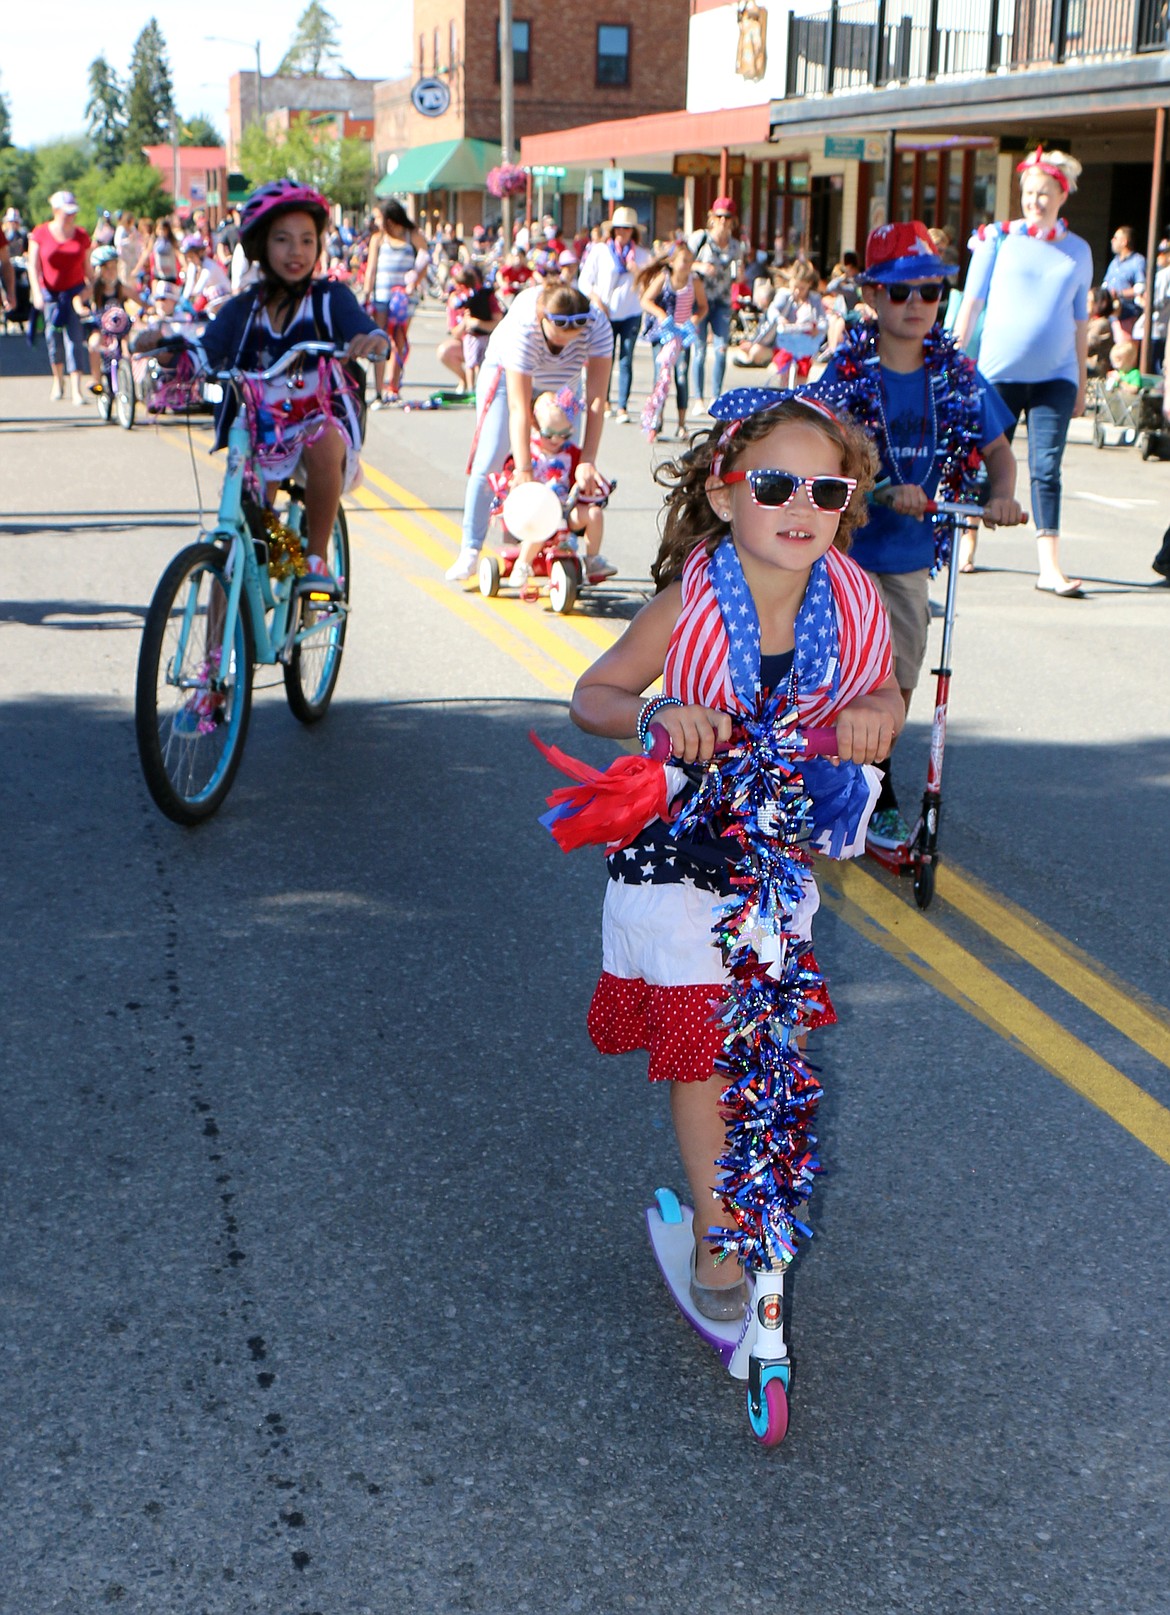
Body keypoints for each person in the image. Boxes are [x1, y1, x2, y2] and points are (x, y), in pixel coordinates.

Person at [564, 389, 901, 1316]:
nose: (802, 508)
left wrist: (878, 712)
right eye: (776, 484)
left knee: (769, 1039)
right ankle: (722, 1228)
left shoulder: (856, 597)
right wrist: (654, 712)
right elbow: (591, 695)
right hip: (682, 844)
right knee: (706, 1044)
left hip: (776, 850)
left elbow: (881, 689)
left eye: (825, 491)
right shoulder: (692, 600)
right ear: (723, 495)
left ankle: (758, 1194)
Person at [818, 220, 1025, 848]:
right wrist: (876, 488)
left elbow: (999, 451)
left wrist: (1002, 495)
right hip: (844, 548)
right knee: (830, 668)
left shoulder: (958, 376)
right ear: (873, 298)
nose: (916, 306)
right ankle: (840, 780)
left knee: (899, 677)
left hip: (908, 556)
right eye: (900, 293)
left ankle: (875, 775)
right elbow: (814, 448)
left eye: (930, 293)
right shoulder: (846, 372)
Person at [133, 180, 388, 583]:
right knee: (239, 546)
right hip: (259, 426)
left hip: (316, 415)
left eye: (307, 240)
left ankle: (316, 560)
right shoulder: (242, 309)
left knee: (323, 439)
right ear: (259, 247)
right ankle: (219, 639)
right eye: (283, 239)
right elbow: (206, 348)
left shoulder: (329, 298)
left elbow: (363, 327)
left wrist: (370, 339)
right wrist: (165, 348)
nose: (296, 251)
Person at [953, 146, 1093, 596]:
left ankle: (1049, 566)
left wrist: (1082, 385)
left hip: (1057, 376)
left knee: (1047, 468)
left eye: (1045, 193)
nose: (1035, 201)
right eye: (1029, 192)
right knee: (984, 463)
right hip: (997, 375)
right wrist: (952, 363)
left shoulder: (1078, 251)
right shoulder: (996, 239)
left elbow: (1079, 323)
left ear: (1062, 195)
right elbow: (971, 304)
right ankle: (968, 540)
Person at [447, 280, 613, 581]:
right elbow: (518, 408)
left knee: (561, 463)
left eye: (571, 339)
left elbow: (597, 401)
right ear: (542, 318)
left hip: (563, 383)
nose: (564, 344)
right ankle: (470, 549)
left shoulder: (597, 324)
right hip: (506, 380)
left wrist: (587, 459)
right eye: (558, 338)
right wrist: (523, 469)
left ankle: (556, 539)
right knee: (493, 459)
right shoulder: (524, 324)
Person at [501, 390, 616, 591]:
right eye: (549, 435)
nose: (556, 440)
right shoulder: (527, 453)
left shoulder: (572, 453)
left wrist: (589, 484)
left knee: (594, 514)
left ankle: (592, 560)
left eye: (564, 435)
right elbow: (512, 476)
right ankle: (522, 564)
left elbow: (580, 477)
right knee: (544, 524)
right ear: (535, 426)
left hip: (566, 508)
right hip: (538, 511)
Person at [579, 205, 651, 424]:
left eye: (627, 229)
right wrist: (597, 301)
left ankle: (623, 406)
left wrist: (636, 270)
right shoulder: (600, 251)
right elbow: (584, 281)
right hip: (604, 314)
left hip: (631, 311)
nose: (622, 233)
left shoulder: (641, 254)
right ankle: (605, 401)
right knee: (603, 357)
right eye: (619, 228)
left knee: (626, 358)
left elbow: (651, 283)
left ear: (633, 232)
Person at [637, 241, 707, 440]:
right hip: (662, 334)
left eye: (689, 261)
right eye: (683, 260)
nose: (686, 265)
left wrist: (694, 319)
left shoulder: (695, 282)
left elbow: (703, 306)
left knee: (681, 377)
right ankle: (654, 421)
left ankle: (682, 423)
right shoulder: (664, 279)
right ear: (673, 262)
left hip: (682, 335)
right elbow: (646, 300)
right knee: (661, 375)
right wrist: (660, 314)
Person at [27, 191, 93, 405]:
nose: (71, 217)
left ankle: (76, 388)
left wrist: (88, 290)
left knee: (74, 339)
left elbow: (88, 269)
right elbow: (33, 266)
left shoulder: (81, 235)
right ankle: (58, 380)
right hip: (50, 294)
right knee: (52, 339)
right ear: (56, 211)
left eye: (73, 213)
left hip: (74, 293)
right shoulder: (41, 233)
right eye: (67, 213)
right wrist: (37, 292)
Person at [362, 200, 429, 406]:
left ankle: (393, 386)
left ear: (389, 218)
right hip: (382, 296)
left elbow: (425, 258)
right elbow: (371, 268)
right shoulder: (378, 239)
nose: (376, 222)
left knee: (399, 341)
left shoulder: (412, 235)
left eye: (379, 218)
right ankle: (379, 390)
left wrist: (415, 280)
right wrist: (366, 293)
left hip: (403, 298)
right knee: (380, 340)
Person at [688, 198, 744, 409]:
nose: (723, 221)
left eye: (727, 217)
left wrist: (739, 276)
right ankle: (698, 399)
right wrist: (700, 266)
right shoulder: (700, 238)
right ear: (712, 217)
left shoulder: (736, 246)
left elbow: (739, 275)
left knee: (721, 349)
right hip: (699, 300)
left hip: (722, 300)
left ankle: (716, 397)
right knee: (700, 349)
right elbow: (682, 261)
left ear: (733, 221)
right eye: (719, 216)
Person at [76, 245, 137, 394]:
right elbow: (78, 298)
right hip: (101, 327)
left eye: (114, 267)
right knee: (94, 344)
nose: (111, 272)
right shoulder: (95, 288)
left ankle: (130, 379)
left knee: (127, 348)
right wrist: (80, 309)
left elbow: (139, 299)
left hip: (120, 327)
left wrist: (150, 308)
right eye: (107, 268)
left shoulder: (120, 288)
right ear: (99, 270)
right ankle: (96, 379)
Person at [437, 262, 501, 392]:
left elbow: (498, 322)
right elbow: (454, 331)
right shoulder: (456, 299)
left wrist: (478, 323)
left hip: (488, 339)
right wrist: (465, 322)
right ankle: (466, 382)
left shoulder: (486, 296)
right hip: (467, 339)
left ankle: (484, 387)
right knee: (447, 352)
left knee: (481, 362)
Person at [1102, 226, 1146, 335]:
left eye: (1116, 238)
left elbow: (1141, 288)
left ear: (1124, 242)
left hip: (1127, 314)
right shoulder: (1114, 262)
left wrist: (1119, 294)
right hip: (1109, 313)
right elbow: (1105, 284)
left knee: (1124, 349)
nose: (1112, 240)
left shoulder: (1138, 261)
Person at [179, 234, 229, 311]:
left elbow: (198, 289)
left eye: (191, 255)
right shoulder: (193, 266)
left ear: (200, 253)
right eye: (187, 256)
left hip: (223, 300)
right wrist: (182, 301)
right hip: (210, 300)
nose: (189, 259)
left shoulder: (210, 266)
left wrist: (190, 302)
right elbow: (189, 286)